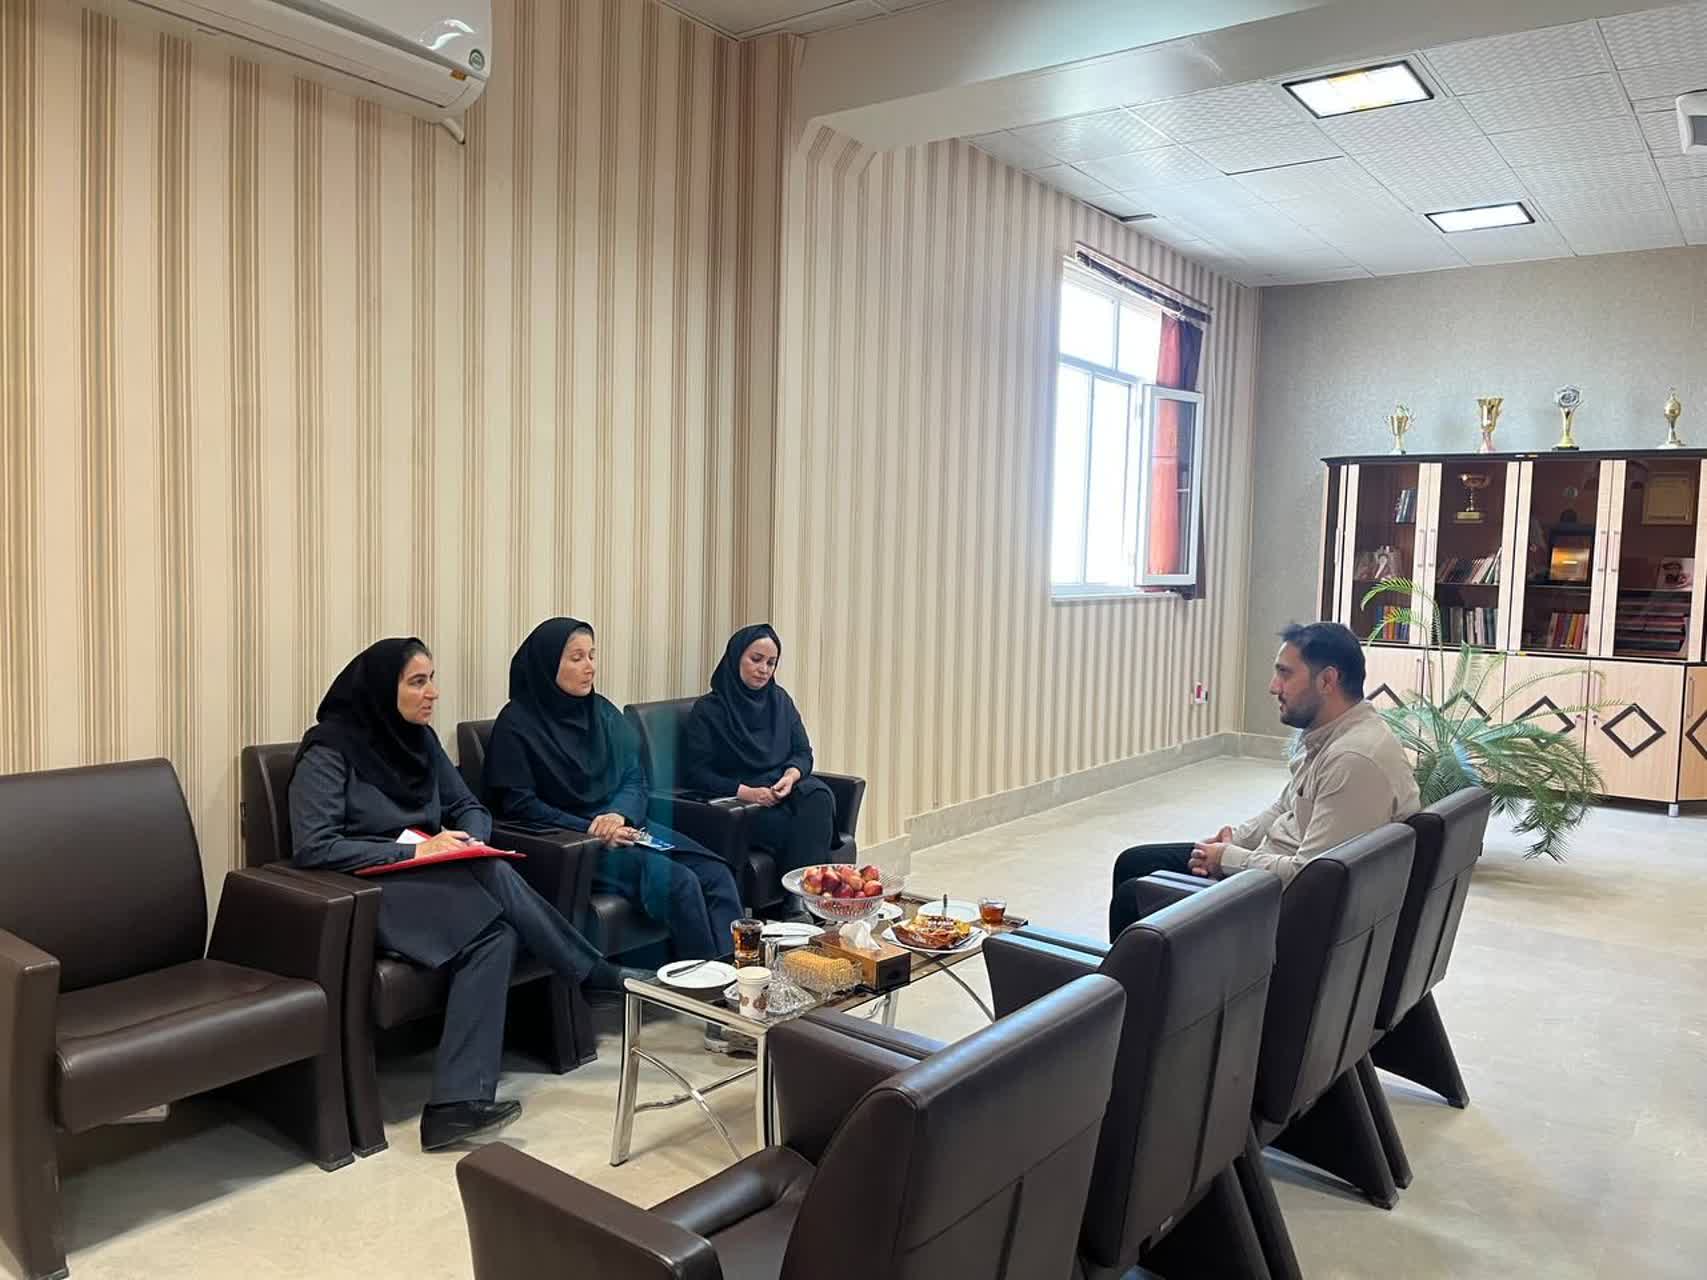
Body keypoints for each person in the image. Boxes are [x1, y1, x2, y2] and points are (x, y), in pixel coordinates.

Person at [289, 637, 635, 1152]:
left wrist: (469, 840)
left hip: (431, 878)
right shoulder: (328, 751)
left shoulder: (420, 741)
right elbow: (315, 846)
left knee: (494, 932)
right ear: (382, 689)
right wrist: (414, 852)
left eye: (431, 679)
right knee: (492, 885)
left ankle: (454, 1107)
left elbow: (469, 806)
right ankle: (590, 972)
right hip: (366, 891)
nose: (433, 692)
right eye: (418, 682)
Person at [1108, 621, 1421, 939]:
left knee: (1132, 896)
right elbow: (1284, 808)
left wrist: (1228, 859)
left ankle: (1142, 973)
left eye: (1285, 674)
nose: (1273, 687)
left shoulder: (1354, 759)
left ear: (1327, 680)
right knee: (1135, 863)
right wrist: (1233, 841)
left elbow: (1312, 879)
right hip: (1268, 867)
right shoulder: (1330, 735)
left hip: (1282, 906)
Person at [483, 617, 743, 966]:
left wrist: (618, 815)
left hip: (624, 824)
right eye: (576, 658)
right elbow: (520, 804)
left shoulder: (601, 711)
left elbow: (634, 777)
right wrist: (591, 829)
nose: (589, 667)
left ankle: (735, 976)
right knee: (679, 882)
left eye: (592, 655)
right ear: (548, 663)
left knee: (716, 874)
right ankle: (702, 990)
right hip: (572, 843)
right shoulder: (516, 723)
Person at [682, 623, 836, 878]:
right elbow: (696, 773)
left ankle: (805, 895)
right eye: (756, 659)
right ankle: (808, 894)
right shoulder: (709, 710)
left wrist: (790, 776)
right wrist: (749, 793)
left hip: (783, 788)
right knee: (800, 830)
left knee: (819, 797)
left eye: (771, 663)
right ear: (736, 657)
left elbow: (803, 752)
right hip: (743, 801)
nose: (764, 669)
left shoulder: (780, 700)